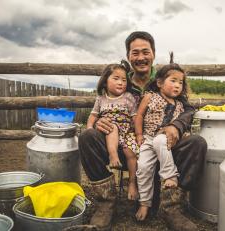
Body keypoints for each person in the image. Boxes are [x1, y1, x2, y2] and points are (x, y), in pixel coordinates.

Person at [78, 31, 207, 231]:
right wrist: (96, 124)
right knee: (87, 136)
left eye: (145, 52)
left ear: (153, 54)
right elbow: (102, 105)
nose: (140, 58)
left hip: (162, 143)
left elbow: (187, 108)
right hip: (123, 143)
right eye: (135, 53)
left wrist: (176, 126)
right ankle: (106, 203)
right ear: (128, 56)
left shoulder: (165, 77)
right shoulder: (121, 80)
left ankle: (172, 206)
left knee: (196, 143)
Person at [134, 53, 189, 221]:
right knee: (142, 167)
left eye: (180, 82)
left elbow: (181, 126)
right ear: (159, 83)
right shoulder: (150, 96)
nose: (178, 85)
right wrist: (138, 135)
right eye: (173, 80)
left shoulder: (180, 105)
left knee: (160, 140)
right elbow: (139, 116)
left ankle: (169, 175)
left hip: (165, 140)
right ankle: (144, 202)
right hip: (148, 139)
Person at [86, 60, 139, 200]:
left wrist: (137, 133)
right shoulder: (101, 99)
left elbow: (135, 117)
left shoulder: (128, 97)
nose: (121, 82)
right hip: (108, 130)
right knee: (112, 127)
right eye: (116, 79)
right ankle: (113, 155)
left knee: (131, 152)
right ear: (105, 82)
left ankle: (133, 183)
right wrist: (90, 129)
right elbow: (93, 116)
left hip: (127, 132)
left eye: (123, 80)